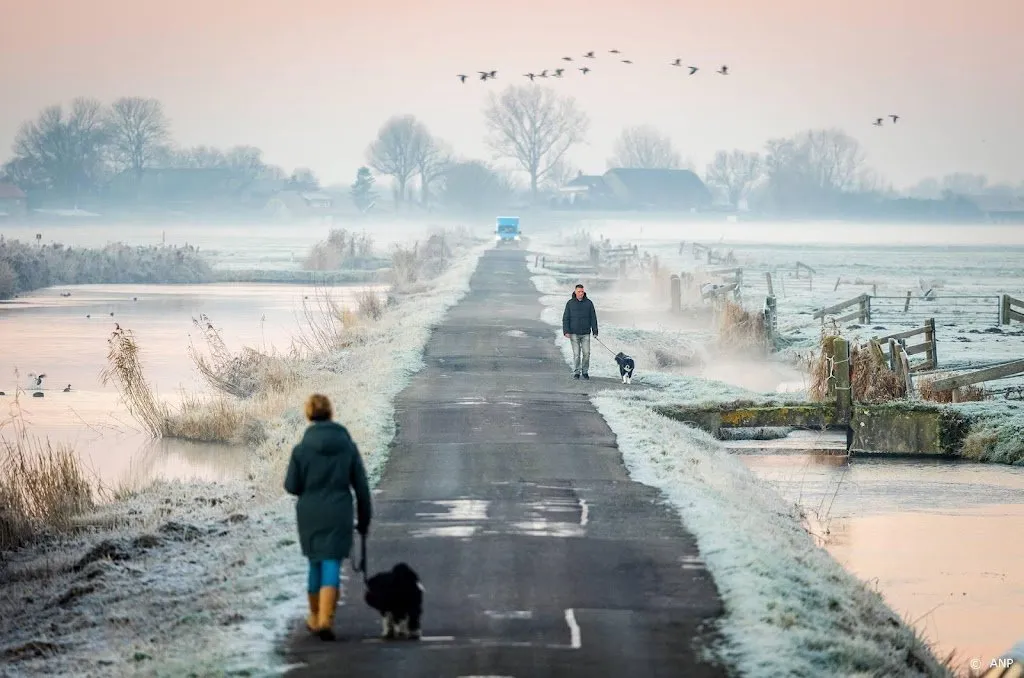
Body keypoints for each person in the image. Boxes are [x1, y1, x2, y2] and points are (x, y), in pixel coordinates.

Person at [284, 393, 372, 641]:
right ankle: (326, 619)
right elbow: (362, 487)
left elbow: (291, 485)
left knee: (315, 562)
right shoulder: (347, 446)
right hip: (339, 511)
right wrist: (364, 519)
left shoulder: (301, 450)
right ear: (331, 413)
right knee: (331, 561)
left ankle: (314, 617)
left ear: (309, 414)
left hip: (310, 513)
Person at [562, 283, 599, 379]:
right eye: (579, 291)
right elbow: (565, 318)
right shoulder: (570, 303)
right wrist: (566, 331)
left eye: (582, 291)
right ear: (575, 292)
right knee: (577, 354)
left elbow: (593, 318)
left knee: (586, 353)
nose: (581, 293)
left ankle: (585, 372)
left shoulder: (589, 303)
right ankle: (577, 372)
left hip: (586, 333)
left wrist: (595, 331)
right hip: (573, 333)